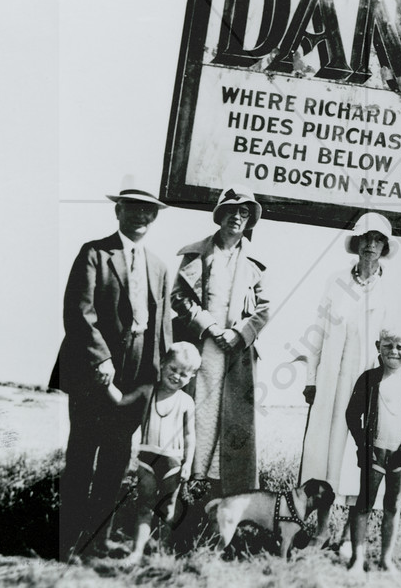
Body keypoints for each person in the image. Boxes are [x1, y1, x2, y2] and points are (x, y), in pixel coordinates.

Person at [49, 187, 172, 560]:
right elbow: (78, 311)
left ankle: (97, 541)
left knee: (116, 462)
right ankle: (67, 540)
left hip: (138, 380)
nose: (141, 217)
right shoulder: (94, 253)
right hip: (93, 374)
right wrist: (100, 360)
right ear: (118, 211)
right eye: (133, 209)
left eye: (149, 212)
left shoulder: (159, 266)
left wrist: (158, 381)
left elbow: (161, 327)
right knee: (83, 456)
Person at [299, 212, 401, 554]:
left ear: (384, 247)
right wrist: (311, 379)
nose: (370, 246)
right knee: (327, 454)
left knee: (360, 456)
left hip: (368, 384)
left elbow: (395, 344)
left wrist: (388, 386)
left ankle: (347, 534)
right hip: (331, 381)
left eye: (378, 240)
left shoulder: (390, 290)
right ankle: (323, 529)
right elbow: (317, 332)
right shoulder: (336, 280)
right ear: (356, 243)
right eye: (365, 239)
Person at [171, 185, 270, 498]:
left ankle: (222, 502)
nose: (236, 217)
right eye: (231, 211)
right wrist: (210, 326)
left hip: (236, 353)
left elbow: (264, 308)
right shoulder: (198, 254)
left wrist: (237, 333)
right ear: (219, 215)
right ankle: (184, 491)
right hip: (200, 348)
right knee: (197, 413)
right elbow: (179, 296)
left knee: (230, 421)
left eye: (244, 212)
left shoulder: (254, 263)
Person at [105, 342, 200, 564]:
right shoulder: (148, 391)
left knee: (168, 509)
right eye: (173, 369)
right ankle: (137, 552)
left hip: (173, 462)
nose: (176, 376)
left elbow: (190, 436)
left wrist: (188, 464)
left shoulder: (187, 402)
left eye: (184, 374)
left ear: (192, 377)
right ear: (163, 363)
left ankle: (162, 551)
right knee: (144, 506)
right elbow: (121, 400)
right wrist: (108, 384)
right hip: (147, 459)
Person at [345, 328, 401, 574]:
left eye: (400, 347)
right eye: (388, 345)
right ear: (378, 346)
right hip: (374, 452)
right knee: (364, 505)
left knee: (393, 505)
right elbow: (352, 415)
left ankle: (386, 560)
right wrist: (363, 444)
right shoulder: (369, 378)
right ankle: (357, 559)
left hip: (400, 454)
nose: (394, 352)